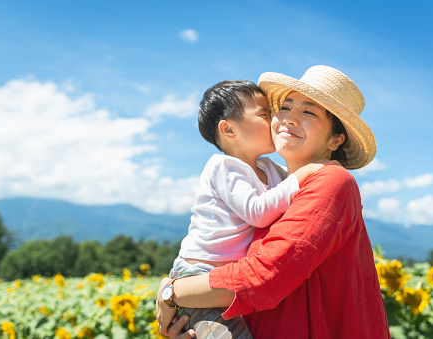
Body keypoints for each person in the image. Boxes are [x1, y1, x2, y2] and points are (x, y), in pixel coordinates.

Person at [156, 65, 391, 339]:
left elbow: (263, 277)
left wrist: (172, 293)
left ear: (336, 139)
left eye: (309, 112)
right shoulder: (274, 185)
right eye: (285, 107)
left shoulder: (331, 180)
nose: (290, 119)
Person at [163, 80, 334, 338]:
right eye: (265, 114)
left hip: (222, 283)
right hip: (199, 273)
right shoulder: (223, 167)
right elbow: (258, 211)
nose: (276, 120)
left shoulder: (270, 170)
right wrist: (305, 174)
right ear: (229, 129)